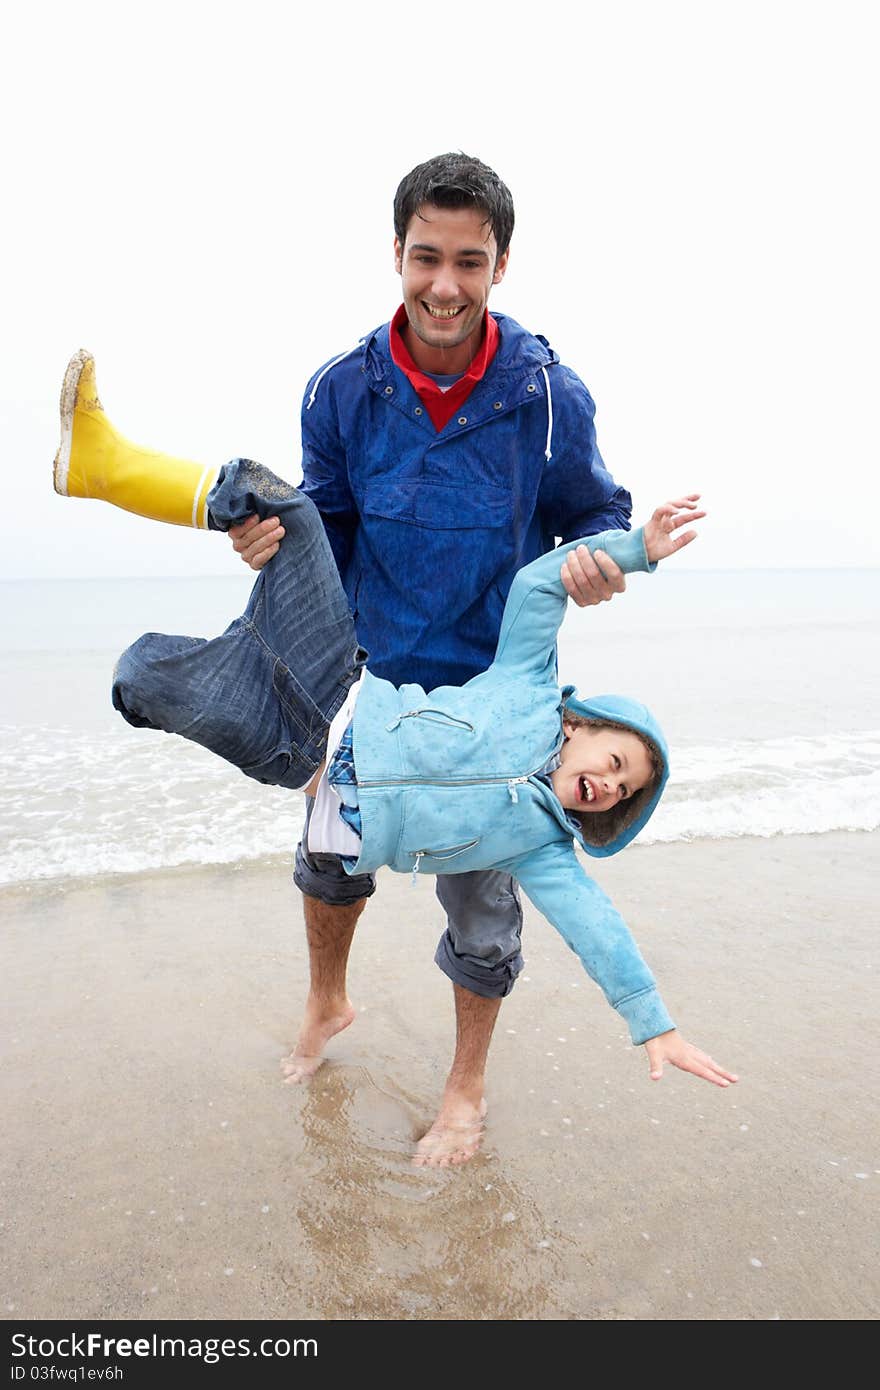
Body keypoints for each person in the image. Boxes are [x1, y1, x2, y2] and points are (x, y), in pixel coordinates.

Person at [53, 352, 738, 1167]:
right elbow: (540, 589)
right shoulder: (527, 682)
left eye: (618, 794)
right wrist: (636, 552)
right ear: (585, 724)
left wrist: (652, 1021)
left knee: (482, 935)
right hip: (344, 698)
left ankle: (464, 1092)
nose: (607, 783)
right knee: (283, 512)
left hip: (324, 783)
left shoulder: (543, 846)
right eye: (618, 758)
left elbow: (599, 930)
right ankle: (107, 466)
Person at [221, 153, 643, 1161]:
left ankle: (465, 1087)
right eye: (425, 258)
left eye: (468, 260)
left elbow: (599, 513)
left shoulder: (548, 396)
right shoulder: (341, 390)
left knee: (485, 908)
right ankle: (327, 1002)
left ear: (500, 264)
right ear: (397, 254)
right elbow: (325, 526)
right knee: (327, 857)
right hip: (381, 679)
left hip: (498, 700)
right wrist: (268, 542)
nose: (443, 285)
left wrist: (595, 562)